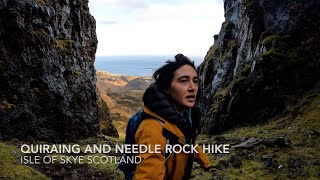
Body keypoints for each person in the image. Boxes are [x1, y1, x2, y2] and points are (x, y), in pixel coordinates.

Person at [133, 54, 211, 180]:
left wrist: (203, 159)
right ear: (167, 88)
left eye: (195, 81)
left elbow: (182, 139)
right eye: (184, 81)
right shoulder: (152, 130)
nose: (192, 88)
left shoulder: (184, 117)